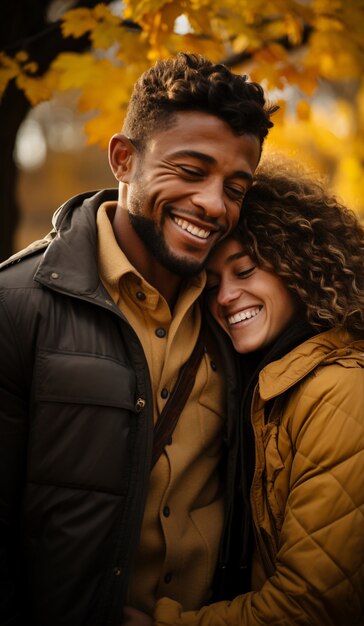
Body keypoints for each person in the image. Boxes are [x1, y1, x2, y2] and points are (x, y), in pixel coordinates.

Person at [0, 53, 276, 626]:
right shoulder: (16, 304)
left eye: (235, 187)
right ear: (124, 159)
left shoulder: (244, 321)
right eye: (191, 171)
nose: (214, 204)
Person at [151, 161, 364, 626]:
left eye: (245, 270)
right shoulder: (278, 386)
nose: (225, 297)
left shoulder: (343, 393)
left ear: (302, 268)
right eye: (213, 284)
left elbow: (310, 607)